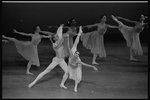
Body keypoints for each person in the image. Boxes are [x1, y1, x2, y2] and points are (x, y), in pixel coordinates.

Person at [28, 24, 70, 89]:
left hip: (62, 60)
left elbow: (59, 34)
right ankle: (34, 82)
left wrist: (61, 27)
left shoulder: (58, 40)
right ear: (54, 38)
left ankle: (62, 84)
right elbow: (60, 36)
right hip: (56, 60)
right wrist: (61, 29)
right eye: (56, 36)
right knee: (46, 71)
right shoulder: (55, 44)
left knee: (67, 72)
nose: (58, 36)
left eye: (57, 36)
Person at [67, 26, 98, 92]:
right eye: (77, 53)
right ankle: (79, 33)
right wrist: (67, 38)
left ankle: (75, 87)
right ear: (75, 53)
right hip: (71, 64)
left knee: (77, 77)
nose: (77, 55)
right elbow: (68, 46)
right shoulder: (71, 54)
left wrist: (93, 67)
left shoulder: (78, 61)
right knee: (75, 44)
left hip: (76, 66)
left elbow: (85, 64)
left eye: (78, 54)